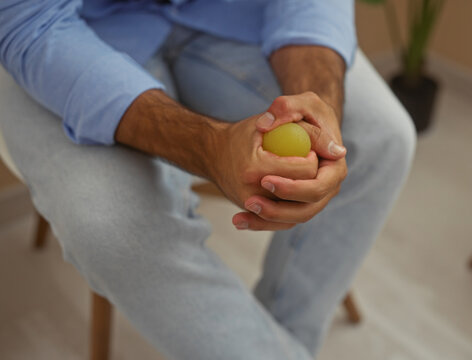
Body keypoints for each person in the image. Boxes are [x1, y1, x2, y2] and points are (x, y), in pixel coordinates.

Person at [0, 0, 416, 358]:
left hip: (233, 15)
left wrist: (315, 110)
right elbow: (30, 24)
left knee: (381, 139)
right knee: (114, 229)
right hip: (63, 32)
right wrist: (210, 148)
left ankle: (279, 342)